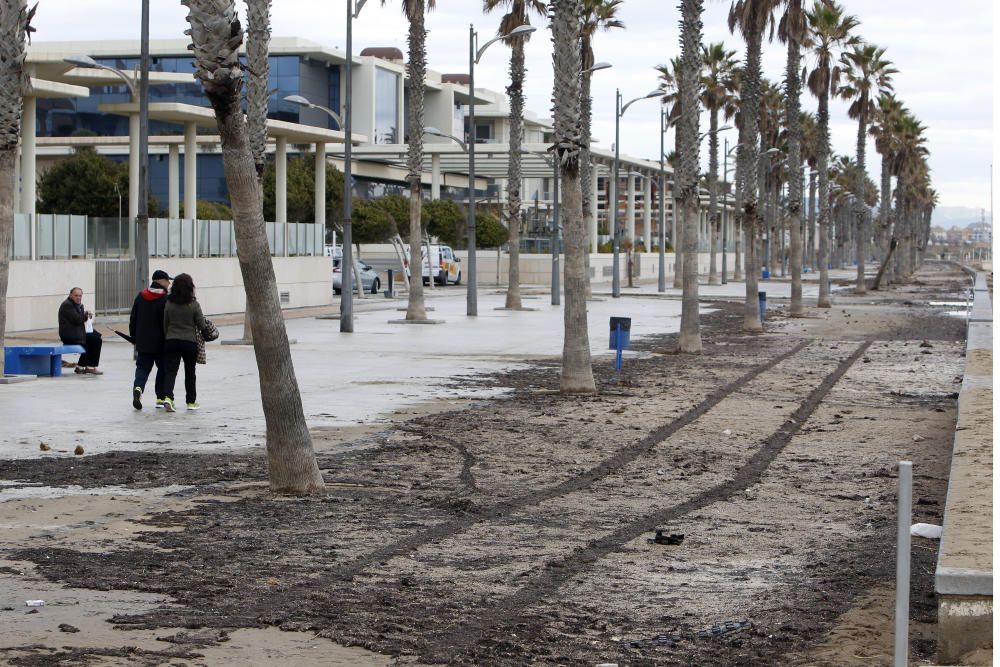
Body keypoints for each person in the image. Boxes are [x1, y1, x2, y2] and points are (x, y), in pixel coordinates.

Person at [161, 273, 206, 412]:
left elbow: (165, 323)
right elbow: (202, 324)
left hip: (172, 340)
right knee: (190, 372)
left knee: (171, 371)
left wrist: (168, 336)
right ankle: (191, 402)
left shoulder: (169, 303)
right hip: (189, 342)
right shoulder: (194, 304)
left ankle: (168, 397)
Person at [128, 270, 171, 410]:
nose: (169, 283)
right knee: (163, 369)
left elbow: (133, 318)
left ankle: (138, 388)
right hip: (161, 343)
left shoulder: (140, 296)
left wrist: (134, 337)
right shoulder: (166, 299)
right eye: (167, 280)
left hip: (143, 342)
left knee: (142, 368)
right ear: (161, 281)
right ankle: (160, 397)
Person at [58, 287, 103, 375]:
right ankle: (90, 367)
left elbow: (80, 318)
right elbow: (77, 319)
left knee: (96, 337)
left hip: (76, 334)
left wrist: (84, 313)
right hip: (70, 336)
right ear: (71, 295)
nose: (78, 297)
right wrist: (86, 315)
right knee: (95, 341)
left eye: (80, 296)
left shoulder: (76, 305)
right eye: (76, 295)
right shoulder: (67, 305)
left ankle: (80, 367)